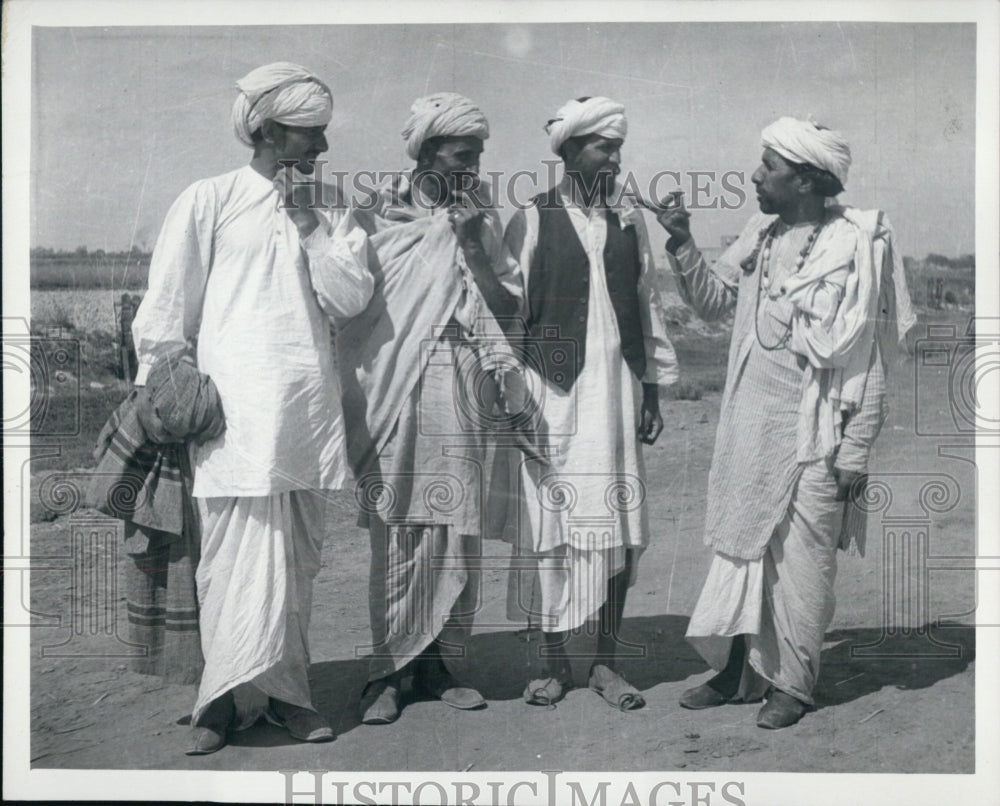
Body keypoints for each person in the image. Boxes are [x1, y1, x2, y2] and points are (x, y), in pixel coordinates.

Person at [131, 61, 374, 754]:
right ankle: (220, 703)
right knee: (228, 562)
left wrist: (311, 227)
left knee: (294, 565)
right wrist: (166, 390)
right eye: (308, 134)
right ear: (266, 131)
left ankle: (289, 698)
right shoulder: (208, 199)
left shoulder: (332, 207)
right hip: (229, 421)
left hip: (304, 415)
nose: (321, 148)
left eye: (324, 133)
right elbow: (167, 308)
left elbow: (350, 299)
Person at [661, 117, 915, 729]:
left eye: (768, 167)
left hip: (817, 433)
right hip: (751, 421)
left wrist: (855, 450)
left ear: (804, 179)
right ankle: (735, 670)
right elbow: (716, 302)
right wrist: (680, 242)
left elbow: (869, 357)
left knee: (804, 563)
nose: (754, 176)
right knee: (742, 548)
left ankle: (792, 685)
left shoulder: (861, 242)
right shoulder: (760, 231)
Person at [335, 92, 522, 725]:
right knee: (398, 526)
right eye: (461, 155)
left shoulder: (481, 215)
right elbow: (346, 306)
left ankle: (441, 664)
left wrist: (470, 243)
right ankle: (387, 673)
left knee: (453, 528)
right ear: (426, 151)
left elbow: (507, 301)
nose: (471, 168)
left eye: (478, 157)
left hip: (462, 382)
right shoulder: (373, 213)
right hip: (390, 385)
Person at [502, 96, 679, 710]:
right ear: (570, 151)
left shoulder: (630, 222)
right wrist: (517, 398)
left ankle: (605, 664)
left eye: (618, 147)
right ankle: (554, 664)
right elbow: (510, 317)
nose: (614, 157)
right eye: (603, 146)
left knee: (618, 529)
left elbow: (647, 305)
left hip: (617, 395)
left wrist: (651, 389)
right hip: (553, 399)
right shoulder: (530, 218)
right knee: (553, 529)